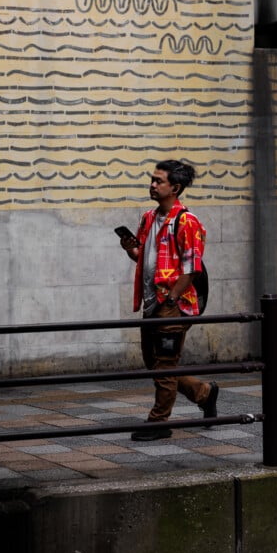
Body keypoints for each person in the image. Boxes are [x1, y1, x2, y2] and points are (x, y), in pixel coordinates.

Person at [119, 159, 218, 440]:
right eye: (152, 179)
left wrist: (172, 299)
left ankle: (158, 423)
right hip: (151, 303)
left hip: (173, 305)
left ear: (175, 187)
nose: (152, 185)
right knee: (155, 363)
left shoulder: (187, 222)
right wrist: (130, 249)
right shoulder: (149, 217)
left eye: (158, 181)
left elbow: (191, 268)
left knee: (164, 367)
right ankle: (204, 393)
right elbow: (143, 259)